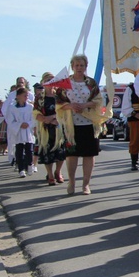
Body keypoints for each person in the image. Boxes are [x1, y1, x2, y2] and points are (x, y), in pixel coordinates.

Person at [56, 55, 109, 195]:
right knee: (72, 155)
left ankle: (86, 184)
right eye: (77, 65)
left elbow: (98, 100)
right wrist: (71, 106)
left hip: (89, 123)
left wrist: (85, 105)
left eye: (82, 65)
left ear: (86, 67)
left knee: (89, 154)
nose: (79, 68)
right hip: (71, 125)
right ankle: (71, 182)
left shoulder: (91, 83)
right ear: (72, 66)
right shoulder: (65, 83)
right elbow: (59, 103)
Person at [33, 73, 66, 186]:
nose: (50, 82)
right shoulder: (39, 98)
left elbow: (64, 110)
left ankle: (58, 171)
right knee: (47, 151)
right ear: (43, 82)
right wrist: (46, 119)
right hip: (46, 128)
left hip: (59, 127)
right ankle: (50, 175)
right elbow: (36, 113)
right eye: (47, 80)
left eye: (52, 79)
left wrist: (53, 118)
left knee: (60, 151)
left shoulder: (59, 96)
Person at [6, 88, 35, 178]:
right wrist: (19, 125)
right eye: (24, 95)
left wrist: (29, 124)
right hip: (18, 132)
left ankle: (30, 165)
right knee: (19, 150)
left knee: (29, 150)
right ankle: (21, 169)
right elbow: (9, 120)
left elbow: (34, 118)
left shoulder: (30, 107)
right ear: (18, 96)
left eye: (27, 95)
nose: (26, 97)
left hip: (28, 131)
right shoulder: (12, 108)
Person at [121, 82, 139, 171]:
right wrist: (135, 114)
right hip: (136, 119)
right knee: (135, 140)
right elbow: (125, 107)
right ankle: (134, 162)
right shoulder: (131, 88)